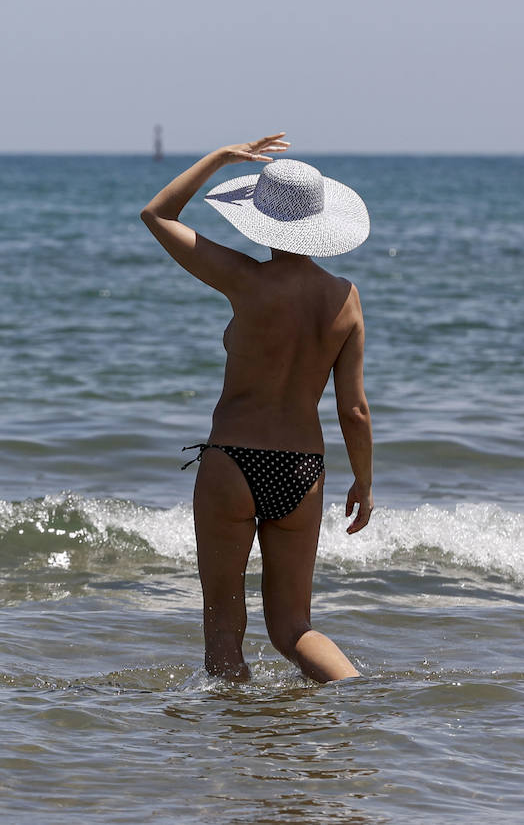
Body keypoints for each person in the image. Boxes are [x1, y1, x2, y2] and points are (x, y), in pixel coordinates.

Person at [140, 133, 374, 683]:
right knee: (294, 629)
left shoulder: (245, 279)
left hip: (233, 464)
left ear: (261, 219)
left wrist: (220, 157)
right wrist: (363, 481)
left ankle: (233, 756)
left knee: (224, 629)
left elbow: (157, 214)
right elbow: (354, 411)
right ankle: (358, 699)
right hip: (302, 470)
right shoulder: (345, 298)